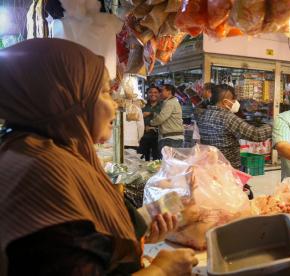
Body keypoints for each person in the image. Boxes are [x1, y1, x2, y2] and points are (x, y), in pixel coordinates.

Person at [0, 38, 197, 275]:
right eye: (104, 92)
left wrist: (143, 223)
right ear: (67, 98)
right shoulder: (43, 173)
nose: (114, 106)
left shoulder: (34, 150)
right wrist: (163, 270)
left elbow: (85, 234)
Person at [197, 84, 272, 169]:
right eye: (233, 99)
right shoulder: (228, 118)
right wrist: (273, 125)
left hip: (209, 165)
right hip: (228, 167)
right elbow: (256, 134)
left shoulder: (203, 114)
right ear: (225, 102)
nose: (235, 102)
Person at [151, 84, 184, 154]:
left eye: (162, 91)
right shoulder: (169, 102)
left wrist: (151, 122)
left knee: (167, 163)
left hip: (171, 139)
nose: (160, 93)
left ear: (169, 92)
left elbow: (161, 118)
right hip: (172, 138)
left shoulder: (170, 103)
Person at [140, 86, 163, 160]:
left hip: (158, 137)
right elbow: (137, 119)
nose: (153, 94)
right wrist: (144, 127)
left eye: (155, 92)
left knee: (157, 159)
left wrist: (151, 113)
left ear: (159, 94)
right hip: (144, 136)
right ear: (147, 94)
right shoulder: (142, 105)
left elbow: (165, 119)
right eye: (150, 92)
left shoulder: (164, 105)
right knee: (141, 158)